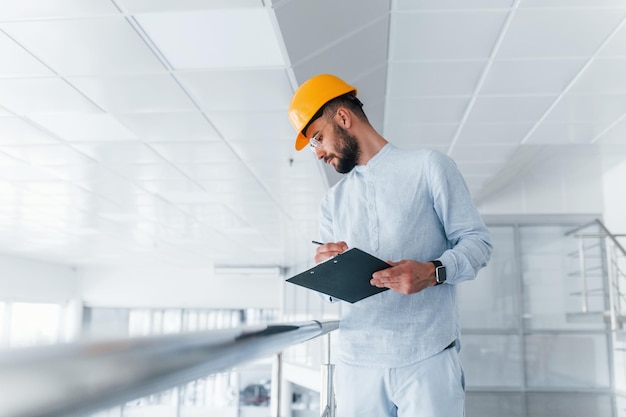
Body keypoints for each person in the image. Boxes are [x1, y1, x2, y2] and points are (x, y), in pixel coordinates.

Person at [287, 74, 493, 417]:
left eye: (319, 138)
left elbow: (478, 243)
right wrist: (325, 272)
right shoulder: (332, 202)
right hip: (357, 366)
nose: (319, 152)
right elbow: (333, 294)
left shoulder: (429, 167)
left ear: (342, 117)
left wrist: (433, 272)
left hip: (428, 358)